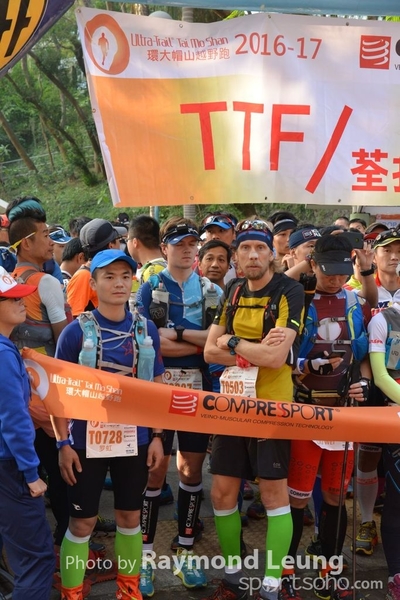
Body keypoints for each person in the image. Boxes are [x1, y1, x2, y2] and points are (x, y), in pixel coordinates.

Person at [51, 249, 165, 600]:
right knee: (81, 522)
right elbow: (57, 394)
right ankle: (72, 593)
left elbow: (157, 387)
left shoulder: (146, 330)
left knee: (130, 519)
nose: (119, 283)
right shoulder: (75, 332)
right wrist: (62, 444)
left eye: (125, 276)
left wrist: (158, 437)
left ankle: (129, 592)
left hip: (135, 439)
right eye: (109, 277)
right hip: (85, 442)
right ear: (94, 283)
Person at [203, 218, 305, 600]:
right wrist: (254, 348)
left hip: (273, 407)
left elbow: (277, 358)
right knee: (222, 494)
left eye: (260, 247)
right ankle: (233, 578)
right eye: (245, 248)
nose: (253, 255)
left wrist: (233, 341)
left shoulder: (289, 290)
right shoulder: (232, 290)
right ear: (236, 256)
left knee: (274, 498)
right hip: (232, 404)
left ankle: (271, 586)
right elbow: (208, 351)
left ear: (272, 254)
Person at [137, 217, 223, 595]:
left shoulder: (212, 291)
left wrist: (178, 336)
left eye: (192, 244)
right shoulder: (150, 288)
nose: (187, 250)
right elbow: (149, 343)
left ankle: (186, 552)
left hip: (198, 390)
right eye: (179, 244)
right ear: (165, 248)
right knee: (154, 472)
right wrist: (198, 342)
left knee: (190, 471)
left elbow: (216, 347)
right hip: (157, 388)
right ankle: (144, 558)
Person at [288, 234, 371, 600]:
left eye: (341, 273)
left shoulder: (352, 300)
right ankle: (285, 571)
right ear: (312, 265)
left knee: (336, 496)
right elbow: (280, 355)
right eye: (327, 272)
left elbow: (363, 353)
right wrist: (308, 366)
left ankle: (331, 570)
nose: (335, 280)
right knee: (297, 499)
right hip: (304, 411)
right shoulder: (297, 298)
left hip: (343, 413)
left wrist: (363, 383)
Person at [0, 265, 55, 599]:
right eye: (12, 298)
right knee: (37, 560)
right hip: (10, 467)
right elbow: (14, 419)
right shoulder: (3, 354)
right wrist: (31, 474)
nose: (23, 302)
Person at [368, 297, 400, 600]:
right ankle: (396, 576)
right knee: (397, 501)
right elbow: (380, 377)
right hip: (396, 419)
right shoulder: (384, 319)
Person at [67, 218, 121, 317]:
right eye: (118, 239)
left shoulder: (110, 272)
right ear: (111, 246)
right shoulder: (84, 276)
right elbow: (73, 316)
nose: (120, 244)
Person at [199, 212, 238, 284]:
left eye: (221, 231)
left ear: (234, 234)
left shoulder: (243, 266)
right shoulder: (192, 267)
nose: (215, 236)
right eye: (210, 231)